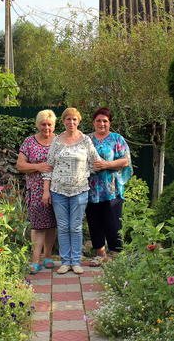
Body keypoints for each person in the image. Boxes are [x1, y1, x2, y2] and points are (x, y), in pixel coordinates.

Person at [42, 107, 102, 275]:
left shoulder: (85, 140)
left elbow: (95, 162)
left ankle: (75, 261)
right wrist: (46, 191)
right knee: (62, 226)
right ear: (63, 121)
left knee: (75, 227)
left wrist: (85, 173)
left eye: (74, 119)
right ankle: (65, 262)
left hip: (80, 191)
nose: (71, 122)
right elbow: (48, 167)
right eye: (68, 119)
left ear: (79, 121)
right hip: (58, 191)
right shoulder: (57, 141)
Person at [87, 107, 132, 266]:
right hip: (91, 191)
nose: (101, 123)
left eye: (105, 121)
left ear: (109, 123)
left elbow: (125, 161)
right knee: (94, 222)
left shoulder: (117, 139)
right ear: (93, 123)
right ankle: (100, 255)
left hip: (112, 190)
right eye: (98, 120)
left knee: (113, 223)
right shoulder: (86, 140)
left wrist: (107, 164)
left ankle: (116, 256)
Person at [16, 109, 57, 274]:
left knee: (52, 223)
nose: (46, 127)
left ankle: (47, 256)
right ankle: (35, 260)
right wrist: (37, 167)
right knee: (38, 225)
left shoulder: (60, 141)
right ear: (38, 124)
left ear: (54, 125)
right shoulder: (29, 142)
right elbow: (20, 166)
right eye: (43, 124)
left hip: (57, 189)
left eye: (49, 124)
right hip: (36, 190)